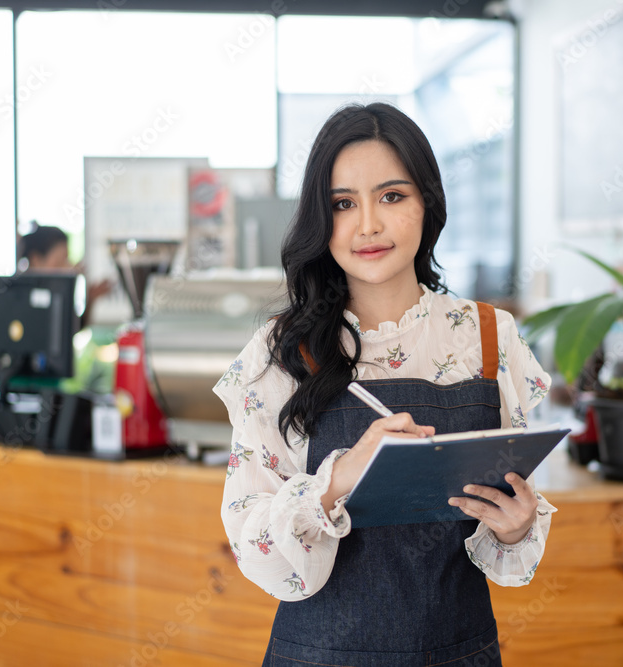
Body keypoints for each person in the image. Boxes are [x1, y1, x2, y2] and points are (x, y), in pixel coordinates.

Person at [213, 103, 555, 667]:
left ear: (427, 203)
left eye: (392, 197)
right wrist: (338, 478)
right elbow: (257, 550)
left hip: (461, 652)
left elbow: (507, 541)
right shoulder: (279, 352)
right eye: (343, 204)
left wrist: (516, 529)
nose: (368, 224)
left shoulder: (489, 337)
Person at [18, 223, 112, 326]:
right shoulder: (20, 301)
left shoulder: (55, 298)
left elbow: (67, 331)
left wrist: (90, 299)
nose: (68, 268)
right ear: (36, 261)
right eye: (59, 262)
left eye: (67, 261)